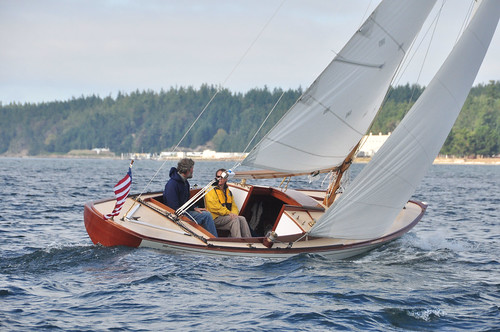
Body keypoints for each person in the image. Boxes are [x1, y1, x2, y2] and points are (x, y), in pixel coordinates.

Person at [163, 158, 218, 237]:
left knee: (205, 213)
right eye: (192, 168)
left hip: (185, 211)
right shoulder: (172, 184)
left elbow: (186, 200)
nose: (193, 171)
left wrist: (194, 208)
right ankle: (214, 240)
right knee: (207, 216)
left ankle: (211, 237)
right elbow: (173, 207)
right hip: (176, 215)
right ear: (187, 170)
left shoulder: (185, 182)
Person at [205, 168, 252, 238]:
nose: (220, 179)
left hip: (225, 218)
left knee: (242, 218)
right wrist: (229, 213)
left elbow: (233, 206)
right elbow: (214, 207)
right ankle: (238, 243)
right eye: (218, 177)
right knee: (235, 220)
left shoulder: (228, 192)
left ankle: (249, 241)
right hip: (214, 219)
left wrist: (234, 214)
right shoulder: (210, 190)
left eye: (222, 177)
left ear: (226, 179)